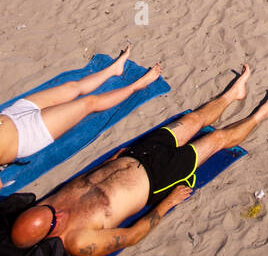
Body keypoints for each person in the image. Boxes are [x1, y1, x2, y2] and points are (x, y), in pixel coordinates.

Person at [8, 66, 268, 256]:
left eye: (49, 209)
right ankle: (261, 114)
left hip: (138, 155)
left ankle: (232, 95)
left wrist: (113, 159)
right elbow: (131, 236)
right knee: (216, 139)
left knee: (193, 121)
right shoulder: (80, 242)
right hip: (158, 178)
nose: (58, 211)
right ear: (48, 236)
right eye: (55, 218)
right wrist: (167, 203)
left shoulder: (48, 208)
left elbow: (85, 180)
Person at [1, 49, 160, 186]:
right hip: (28, 134)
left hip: (13, 114)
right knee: (88, 103)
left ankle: (113, 70)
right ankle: (136, 86)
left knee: (71, 87)